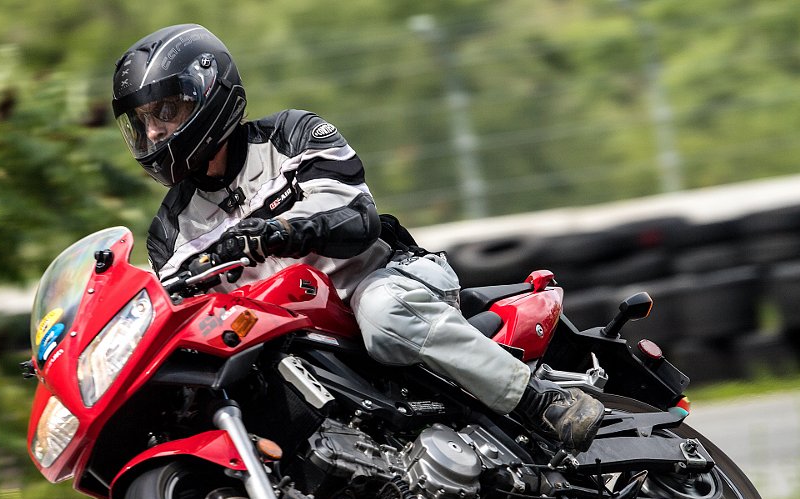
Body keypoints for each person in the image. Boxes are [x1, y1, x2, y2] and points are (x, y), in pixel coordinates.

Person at [110, 24, 603, 451]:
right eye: (144, 121)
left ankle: (542, 403)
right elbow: (171, 301)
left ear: (209, 93)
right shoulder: (169, 230)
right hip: (290, 338)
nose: (153, 134)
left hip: (381, 281)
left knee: (384, 314)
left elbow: (355, 218)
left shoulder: (291, 136)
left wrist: (276, 232)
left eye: (166, 112)